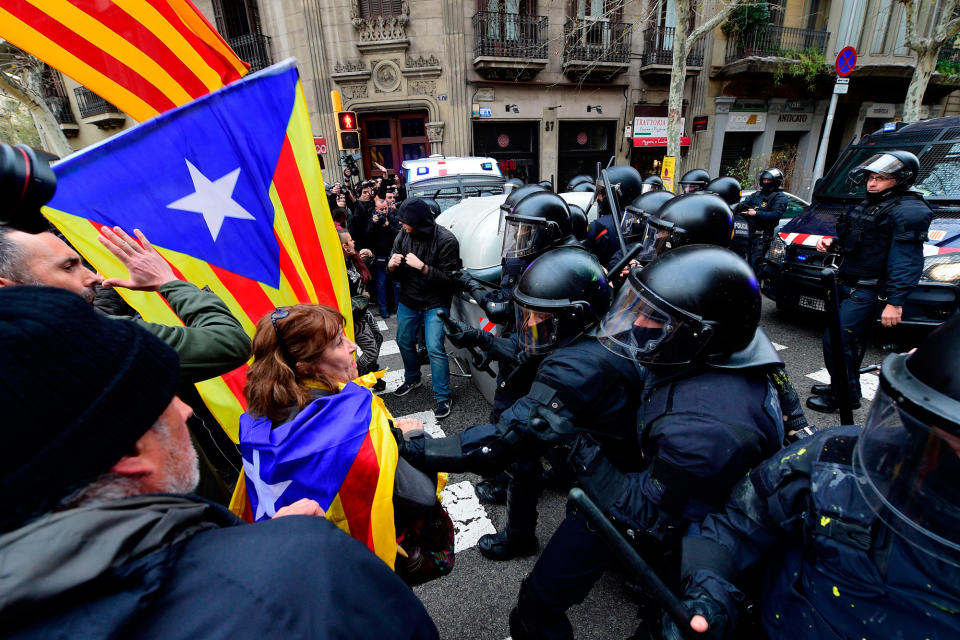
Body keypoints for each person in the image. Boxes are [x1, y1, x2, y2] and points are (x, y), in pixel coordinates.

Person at [0, 286, 440, 639]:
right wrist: (399, 441)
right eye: (163, 400)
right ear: (130, 451)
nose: (187, 410)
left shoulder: (258, 420)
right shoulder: (353, 418)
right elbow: (403, 494)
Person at [509, 246, 785, 640]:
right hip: (665, 492)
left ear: (700, 334)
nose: (635, 322)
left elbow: (644, 512)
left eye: (654, 317)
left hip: (688, 535)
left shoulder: (704, 428)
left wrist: (574, 444)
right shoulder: (714, 350)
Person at [664, 314, 960, 640]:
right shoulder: (835, 463)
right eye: (936, 439)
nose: (937, 461)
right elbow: (739, 523)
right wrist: (708, 597)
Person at [397, 248, 644, 561]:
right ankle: (520, 536)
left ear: (573, 314)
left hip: (610, 480)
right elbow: (523, 349)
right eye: (527, 312)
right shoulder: (581, 333)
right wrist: (477, 336)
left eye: (539, 315)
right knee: (525, 460)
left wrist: (412, 448)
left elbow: (498, 442)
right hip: (589, 453)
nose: (530, 321)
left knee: (544, 592)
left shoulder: (578, 365)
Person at [0, 224, 250, 502]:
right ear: (6, 288)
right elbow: (227, 341)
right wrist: (168, 282)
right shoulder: (94, 337)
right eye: (69, 267)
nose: (93, 277)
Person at [240, 303, 454, 585]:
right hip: (368, 560)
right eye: (339, 343)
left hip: (309, 570)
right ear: (305, 365)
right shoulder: (351, 419)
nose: (353, 346)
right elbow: (420, 497)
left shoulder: (257, 417)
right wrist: (410, 437)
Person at [807, 151, 933, 413]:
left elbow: (906, 259)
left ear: (901, 180)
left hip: (870, 289)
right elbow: (864, 243)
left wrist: (895, 302)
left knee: (838, 341)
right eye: (871, 178)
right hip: (849, 282)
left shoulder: (909, 210)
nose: (872, 183)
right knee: (847, 344)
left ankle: (842, 397)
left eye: (881, 178)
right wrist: (834, 243)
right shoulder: (873, 204)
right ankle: (843, 387)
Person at [388, 198, 461, 419]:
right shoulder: (403, 236)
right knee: (403, 340)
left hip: (436, 302)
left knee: (434, 347)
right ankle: (413, 378)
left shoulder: (446, 240)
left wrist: (424, 268)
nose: (401, 226)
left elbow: (451, 280)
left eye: (405, 222)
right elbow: (396, 271)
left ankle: (442, 396)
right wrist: (391, 266)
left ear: (418, 222)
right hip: (409, 299)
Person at [339, 228, 385, 390]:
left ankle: (370, 372)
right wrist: (363, 297)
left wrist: (369, 258)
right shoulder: (337, 266)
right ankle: (356, 382)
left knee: (378, 338)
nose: (354, 242)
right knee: (371, 351)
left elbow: (362, 276)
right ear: (344, 246)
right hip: (354, 315)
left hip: (363, 309)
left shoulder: (352, 259)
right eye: (351, 241)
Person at [582, 165, 644, 267]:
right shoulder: (643, 221)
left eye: (602, 192)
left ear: (619, 193)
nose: (599, 198)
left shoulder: (600, 227)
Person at [734, 168, 787, 273]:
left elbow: (776, 214)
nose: (766, 182)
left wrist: (756, 213)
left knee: (756, 263)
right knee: (743, 261)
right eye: (764, 180)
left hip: (762, 236)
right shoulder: (757, 195)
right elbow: (744, 204)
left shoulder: (780, 197)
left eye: (769, 180)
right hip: (748, 233)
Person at [367, 197, 402, 318]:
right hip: (380, 257)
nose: (384, 211)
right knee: (381, 284)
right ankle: (383, 310)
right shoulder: (372, 220)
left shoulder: (392, 218)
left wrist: (388, 226)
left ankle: (399, 309)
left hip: (393, 256)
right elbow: (367, 236)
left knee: (396, 284)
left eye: (386, 208)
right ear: (376, 209)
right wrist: (373, 223)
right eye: (381, 209)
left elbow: (399, 235)